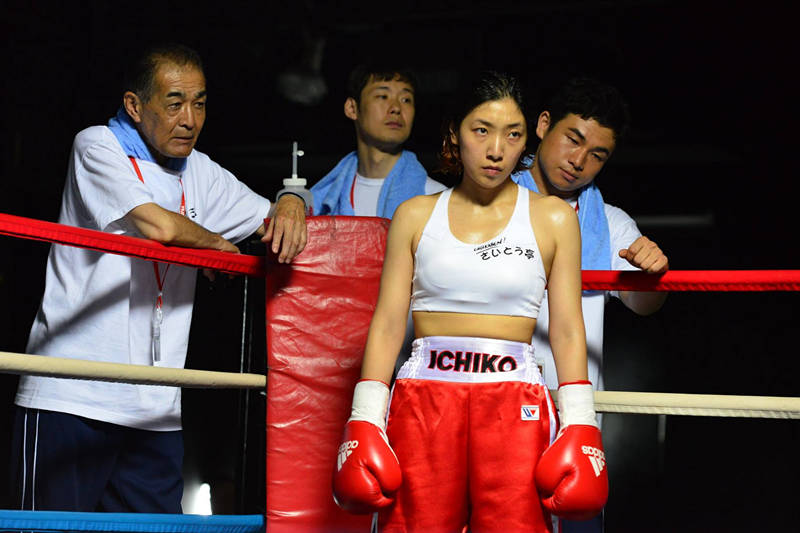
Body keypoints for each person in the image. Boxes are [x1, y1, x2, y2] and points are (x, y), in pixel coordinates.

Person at [8, 43, 307, 513]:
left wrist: (292, 200)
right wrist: (213, 243)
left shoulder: (201, 170)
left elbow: (272, 218)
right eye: (174, 103)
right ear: (134, 105)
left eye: (199, 103)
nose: (189, 119)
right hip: (72, 392)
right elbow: (159, 226)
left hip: (156, 407)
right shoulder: (97, 145)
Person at [332, 71, 607, 532]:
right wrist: (364, 418)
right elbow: (388, 323)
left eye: (513, 134)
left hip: (514, 400)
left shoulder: (553, 218)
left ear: (527, 140)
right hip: (423, 400)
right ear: (455, 133)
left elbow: (566, 328)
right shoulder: (414, 215)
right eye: (482, 130)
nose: (496, 149)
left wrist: (580, 422)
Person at [511, 77, 668, 532]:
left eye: (597, 154)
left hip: (573, 415)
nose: (579, 161)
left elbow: (643, 305)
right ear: (544, 125)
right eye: (573, 139)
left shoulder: (611, 223)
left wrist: (651, 274)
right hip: (494, 405)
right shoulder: (489, 204)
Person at [310, 64, 447, 218]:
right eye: (383, 96)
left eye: (406, 99)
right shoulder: (320, 202)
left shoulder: (436, 200)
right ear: (352, 108)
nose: (396, 108)